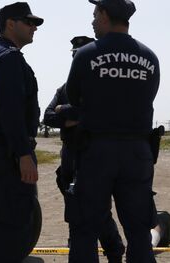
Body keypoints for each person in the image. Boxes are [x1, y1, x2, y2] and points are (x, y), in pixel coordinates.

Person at [65, 0, 161, 262]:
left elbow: (73, 97)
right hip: (138, 153)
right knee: (139, 231)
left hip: (97, 152)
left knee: (85, 229)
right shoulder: (149, 58)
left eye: (95, 14)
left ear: (105, 15)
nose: (93, 20)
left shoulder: (86, 55)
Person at [43, 36, 125, 263]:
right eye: (74, 55)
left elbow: (102, 114)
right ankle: (80, 249)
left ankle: (114, 251)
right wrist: (75, 119)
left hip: (96, 155)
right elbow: (48, 117)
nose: (75, 59)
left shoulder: (104, 87)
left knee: (98, 210)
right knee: (75, 208)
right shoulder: (65, 88)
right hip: (71, 155)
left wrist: (66, 112)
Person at [0, 2, 43, 262]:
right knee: (16, 224)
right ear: (10, 24)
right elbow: (10, 111)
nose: (34, 28)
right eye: (29, 22)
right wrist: (23, 153)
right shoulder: (9, 58)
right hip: (9, 155)